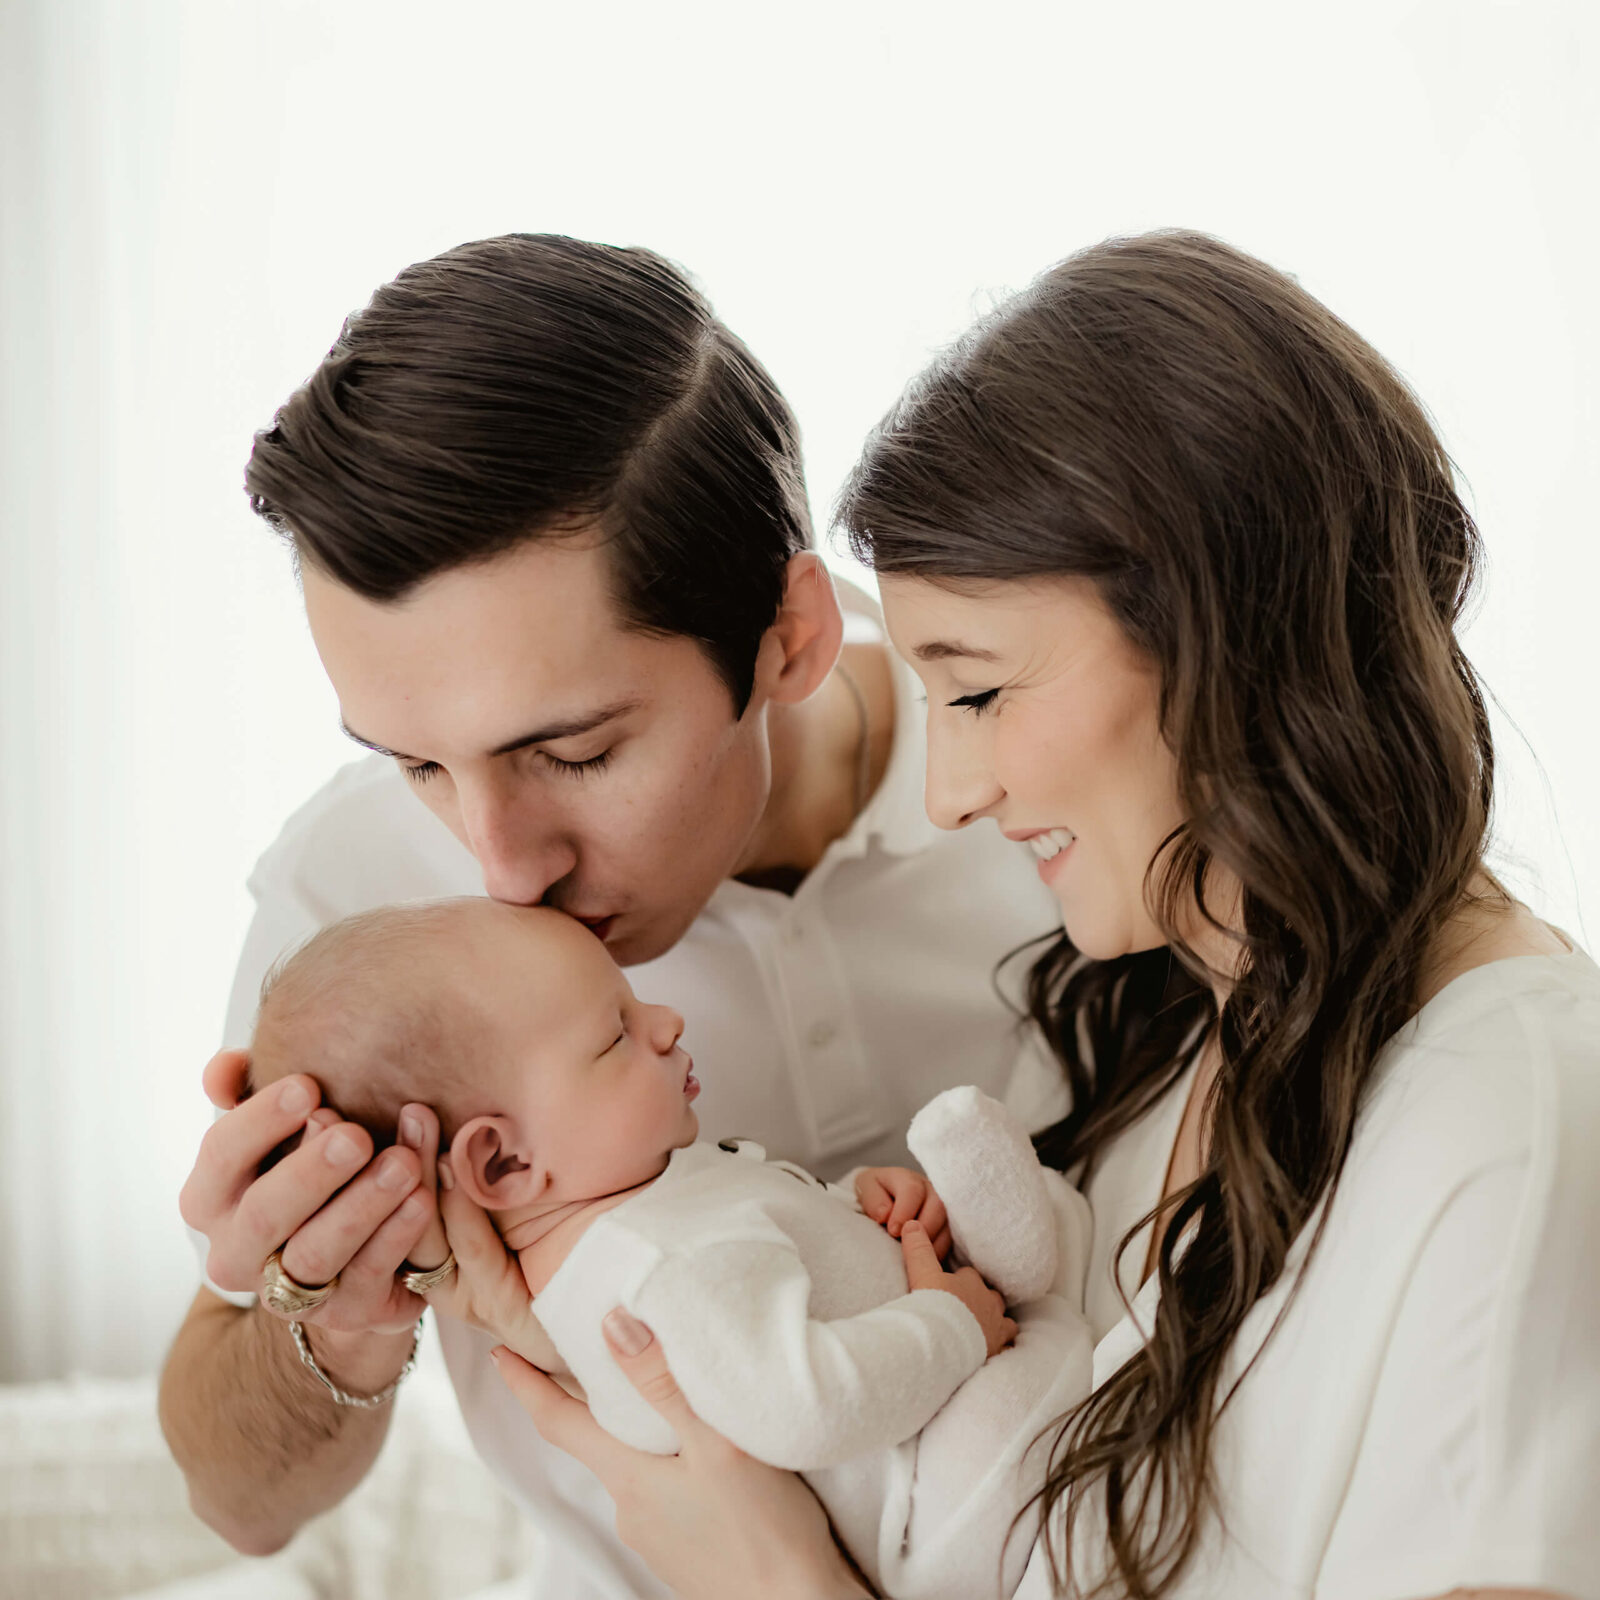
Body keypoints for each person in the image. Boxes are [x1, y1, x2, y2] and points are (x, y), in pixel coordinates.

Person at [471, 231, 1600, 1600]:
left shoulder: (1509, 1119)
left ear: (1222, 633)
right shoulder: (1191, 1032)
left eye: (985, 690)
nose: (948, 793)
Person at [159, 234, 1066, 1599]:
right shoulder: (352, 907)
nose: (500, 867)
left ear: (788, 639)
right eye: (415, 762)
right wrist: (326, 1319)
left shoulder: (1048, 803)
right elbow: (239, 1507)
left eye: (573, 754)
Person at [243, 895, 1095, 1600]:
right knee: (1062, 1316)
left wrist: (854, 1210)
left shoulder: (642, 1209)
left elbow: (775, 1259)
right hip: (949, 1508)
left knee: (1054, 1244)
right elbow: (806, 1403)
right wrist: (950, 1324)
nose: (665, 1020)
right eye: (615, 1034)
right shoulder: (653, 1268)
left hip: (929, 1441)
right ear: (504, 1161)